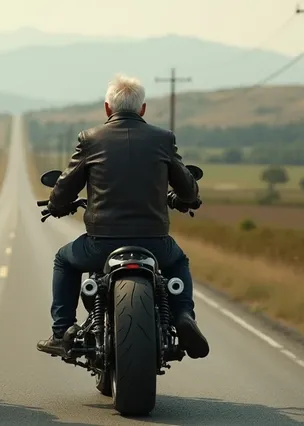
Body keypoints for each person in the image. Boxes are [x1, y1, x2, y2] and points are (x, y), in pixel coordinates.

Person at [36, 74, 209, 360]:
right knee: (178, 260)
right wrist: (185, 200)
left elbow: (66, 186)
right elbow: (188, 188)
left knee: (63, 260)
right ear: (142, 109)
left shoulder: (90, 139)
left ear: (107, 109)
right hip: (154, 243)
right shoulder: (163, 139)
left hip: (100, 244)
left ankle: (61, 331)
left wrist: (56, 205)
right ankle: (183, 315)